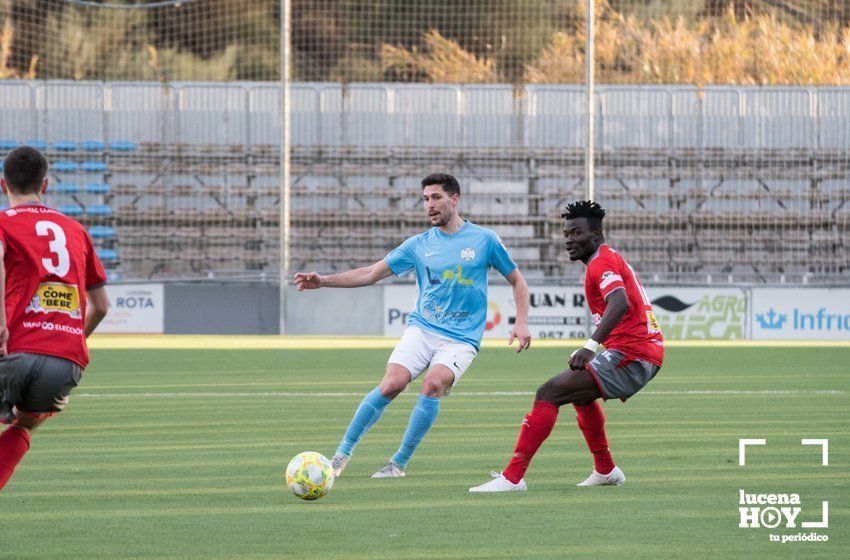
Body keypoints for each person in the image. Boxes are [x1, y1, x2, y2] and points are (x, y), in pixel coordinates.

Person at [294, 173, 531, 478]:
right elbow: (370, 273)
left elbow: (517, 280)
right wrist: (324, 281)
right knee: (391, 383)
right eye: (425, 199)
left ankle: (398, 463)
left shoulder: (484, 240)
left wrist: (521, 321)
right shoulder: (418, 245)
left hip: (460, 339)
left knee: (432, 384)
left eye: (435, 198)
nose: (429, 205)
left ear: (454, 199)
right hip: (422, 329)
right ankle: (340, 456)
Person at [469, 200, 664, 492]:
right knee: (580, 395)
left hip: (632, 354)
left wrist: (590, 345)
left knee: (548, 393)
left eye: (576, 233)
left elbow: (619, 302)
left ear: (596, 235)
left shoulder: (602, 262)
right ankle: (606, 470)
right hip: (635, 351)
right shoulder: (604, 258)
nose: (569, 240)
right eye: (566, 234)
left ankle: (512, 478)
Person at [0, 146, 109, 491]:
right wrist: (68, 338)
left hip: (13, 348)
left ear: (4, 185)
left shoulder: (4, 224)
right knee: (25, 422)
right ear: (45, 185)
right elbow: (101, 306)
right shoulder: (76, 231)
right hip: (66, 360)